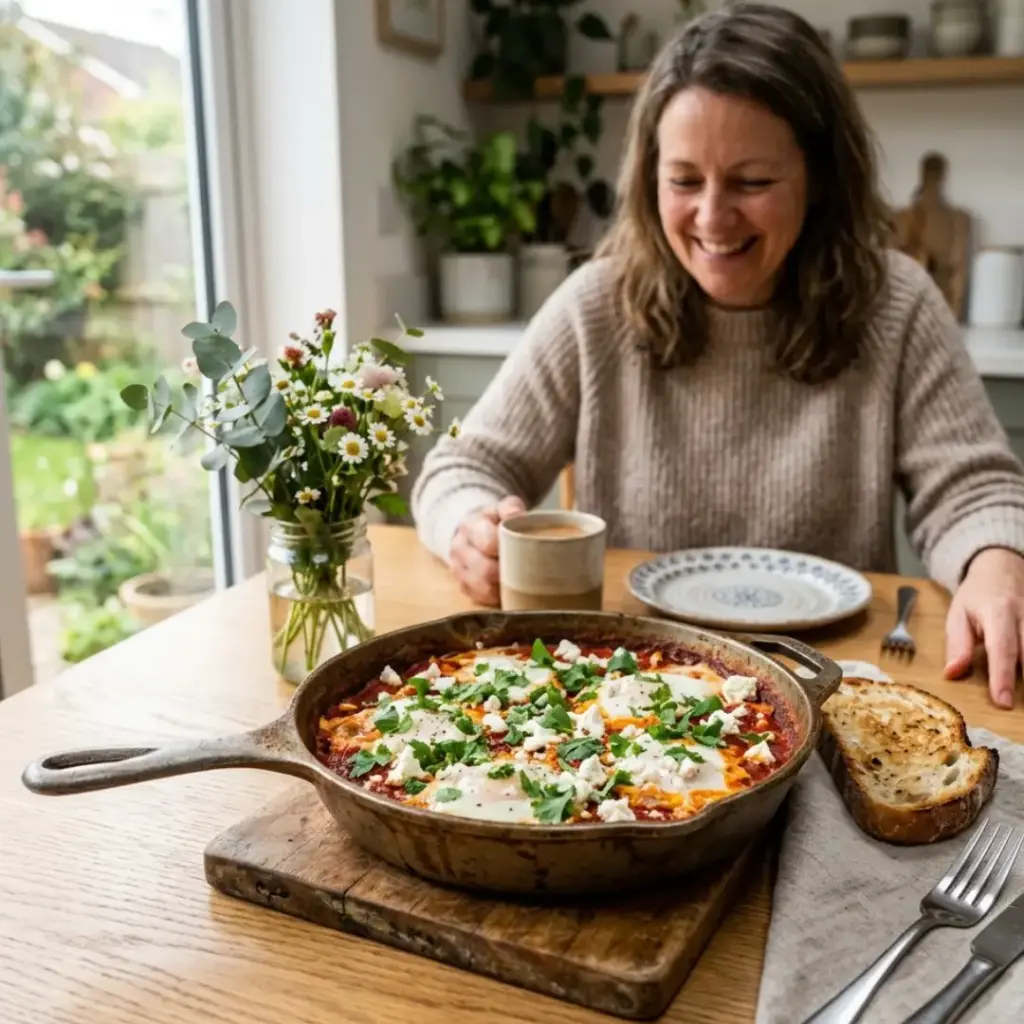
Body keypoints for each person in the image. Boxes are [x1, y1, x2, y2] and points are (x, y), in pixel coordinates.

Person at [411, 2, 1024, 711]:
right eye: (683, 180)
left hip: (832, 683)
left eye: (752, 183)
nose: (710, 217)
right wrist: (471, 527)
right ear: (649, 177)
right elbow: (464, 467)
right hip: (627, 699)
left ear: (819, 176)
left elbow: (972, 488)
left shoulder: (899, 302)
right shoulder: (597, 302)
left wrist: (996, 563)